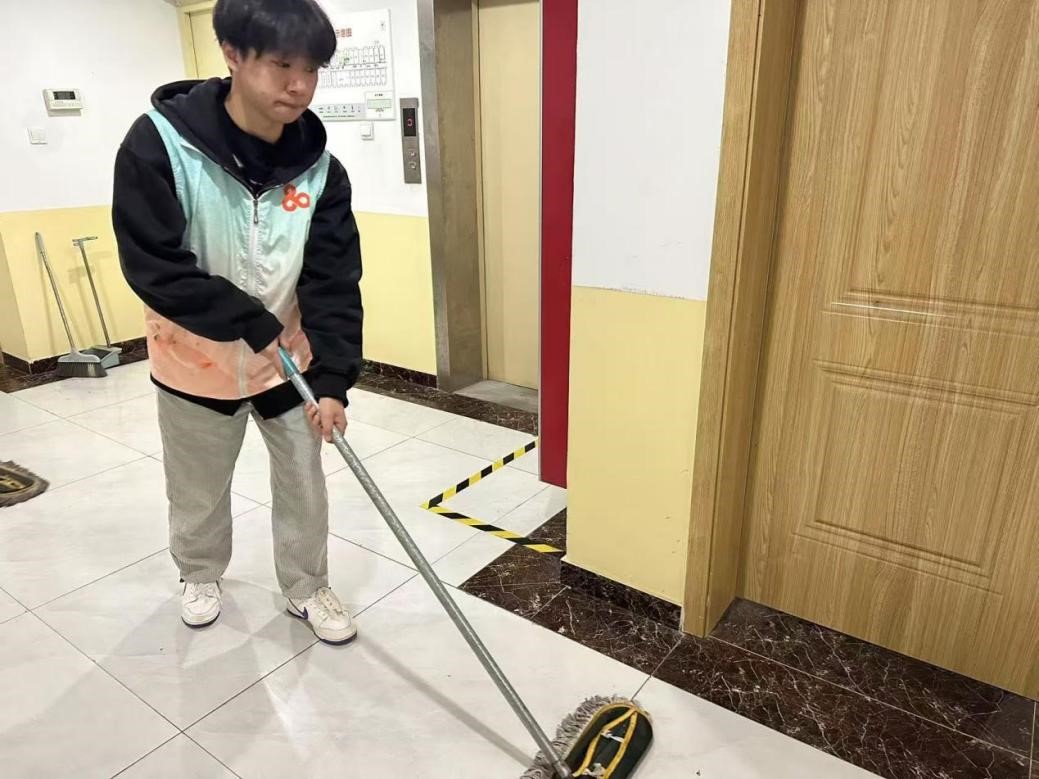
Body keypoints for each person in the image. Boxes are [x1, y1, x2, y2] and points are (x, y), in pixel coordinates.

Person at [112, 0, 362, 645]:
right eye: (282, 65)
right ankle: (199, 573)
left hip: (289, 361)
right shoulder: (159, 144)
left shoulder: (320, 170)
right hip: (193, 360)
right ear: (231, 54)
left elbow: (332, 279)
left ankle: (306, 584)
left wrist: (334, 378)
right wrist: (245, 319)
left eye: (312, 69)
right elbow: (153, 264)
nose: (299, 86)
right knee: (197, 487)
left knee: (304, 484)